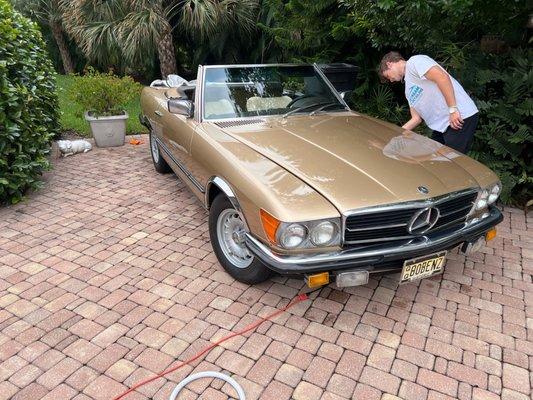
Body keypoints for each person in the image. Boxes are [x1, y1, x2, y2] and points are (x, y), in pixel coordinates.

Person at [379, 52, 479, 154]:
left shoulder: (415, 62)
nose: (390, 80)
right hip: (442, 127)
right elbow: (416, 119)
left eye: (387, 76)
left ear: (389, 64)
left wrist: (453, 109)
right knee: (432, 162)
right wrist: (392, 135)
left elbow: (442, 77)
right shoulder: (408, 89)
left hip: (458, 117)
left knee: (451, 164)